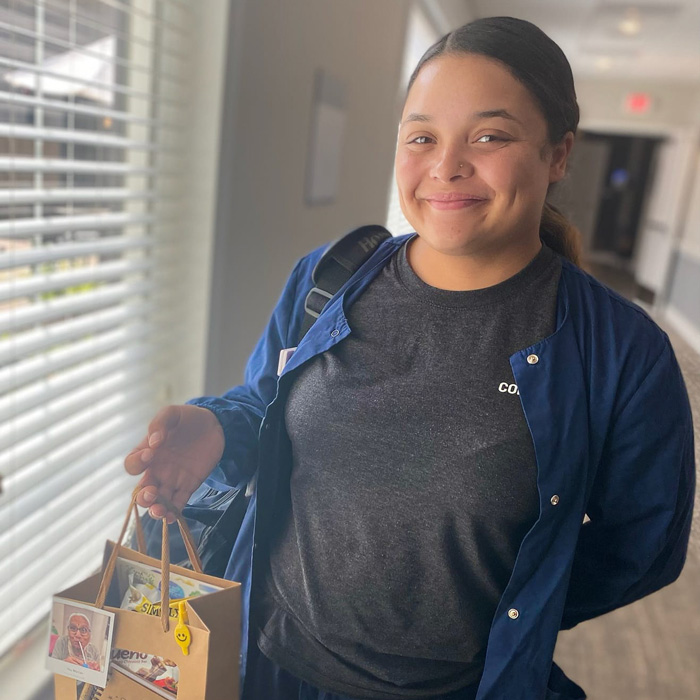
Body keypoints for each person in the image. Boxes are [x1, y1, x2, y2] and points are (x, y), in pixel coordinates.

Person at [125, 16, 695, 700]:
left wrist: (520, 602)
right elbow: (264, 405)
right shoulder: (329, 278)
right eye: (422, 137)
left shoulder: (619, 353)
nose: (447, 166)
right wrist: (218, 429)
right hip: (267, 666)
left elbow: (643, 543)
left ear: (559, 153)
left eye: (490, 136)